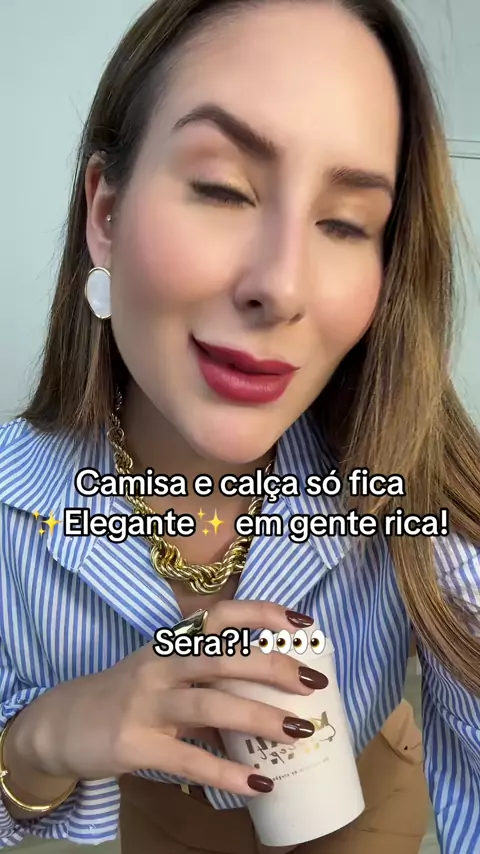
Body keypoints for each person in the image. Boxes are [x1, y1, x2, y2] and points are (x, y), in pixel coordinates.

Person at [0, 0, 479, 852]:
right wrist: (37, 741)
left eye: (345, 223)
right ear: (105, 215)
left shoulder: (411, 491)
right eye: (222, 188)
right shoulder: (12, 508)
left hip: (370, 809)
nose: (282, 287)